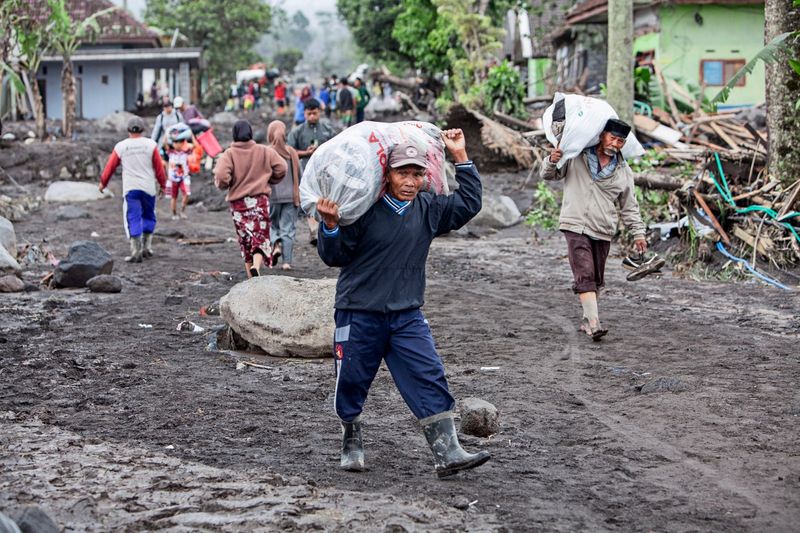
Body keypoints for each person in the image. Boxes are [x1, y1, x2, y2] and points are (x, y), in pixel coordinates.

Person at [315, 129, 490, 478]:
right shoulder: (363, 207)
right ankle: (351, 438)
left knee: (429, 374)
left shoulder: (428, 208)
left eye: (417, 174)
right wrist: (331, 225)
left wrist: (460, 155)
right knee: (350, 380)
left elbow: (468, 204)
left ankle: (448, 451)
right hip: (359, 310)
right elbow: (335, 257)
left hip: (406, 314)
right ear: (387, 174)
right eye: (402, 173)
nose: (410, 181)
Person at [540, 118, 648, 341]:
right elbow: (549, 175)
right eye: (613, 138)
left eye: (621, 141)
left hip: (603, 228)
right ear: (601, 135)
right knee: (585, 273)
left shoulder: (623, 171)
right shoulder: (576, 155)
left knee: (596, 279)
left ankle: (586, 318)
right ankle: (594, 323)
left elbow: (629, 206)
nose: (616, 144)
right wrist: (551, 160)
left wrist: (638, 233)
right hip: (574, 223)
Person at [214, 120, 287, 278]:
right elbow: (282, 167)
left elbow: (221, 176)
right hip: (259, 201)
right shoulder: (264, 151)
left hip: (238, 204)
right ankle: (256, 266)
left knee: (245, 239)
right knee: (260, 236)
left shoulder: (229, 154)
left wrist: (226, 184)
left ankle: (250, 276)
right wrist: (269, 179)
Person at [98, 116, 167, 263]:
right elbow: (159, 168)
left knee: (133, 216)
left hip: (131, 189)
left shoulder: (122, 146)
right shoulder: (151, 145)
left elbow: (110, 167)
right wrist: (163, 185)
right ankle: (147, 247)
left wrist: (103, 183)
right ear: (142, 129)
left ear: (128, 130)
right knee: (149, 215)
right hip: (148, 188)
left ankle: (136, 251)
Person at [286, 98, 336, 244]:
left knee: (326, 200)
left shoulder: (327, 129)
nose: (312, 117)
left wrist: (323, 151)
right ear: (304, 114)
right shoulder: (298, 131)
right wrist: (304, 153)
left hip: (326, 173)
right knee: (310, 201)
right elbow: (289, 151)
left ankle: (324, 230)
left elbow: (336, 147)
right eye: (309, 114)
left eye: (315, 113)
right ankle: (314, 232)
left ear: (319, 112)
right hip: (306, 172)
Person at [267, 120, 302, 270]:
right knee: (288, 229)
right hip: (290, 197)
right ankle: (287, 262)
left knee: (271, 225)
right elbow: (299, 175)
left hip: (272, 197)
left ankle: (276, 245)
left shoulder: (267, 152)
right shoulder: (292, 152)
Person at [165, 125, 194, 220]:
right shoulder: (170, 152)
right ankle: (174, 213)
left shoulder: (186, 152)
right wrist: (167, 132)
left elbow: (194, 145)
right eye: (176, 142)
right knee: (174, 196)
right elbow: (165, 143)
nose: (178, 144)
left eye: (181, 142)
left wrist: (191, 134)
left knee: (187, 193)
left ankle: (182, 211)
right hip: (173, 178)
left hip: (184, 177)